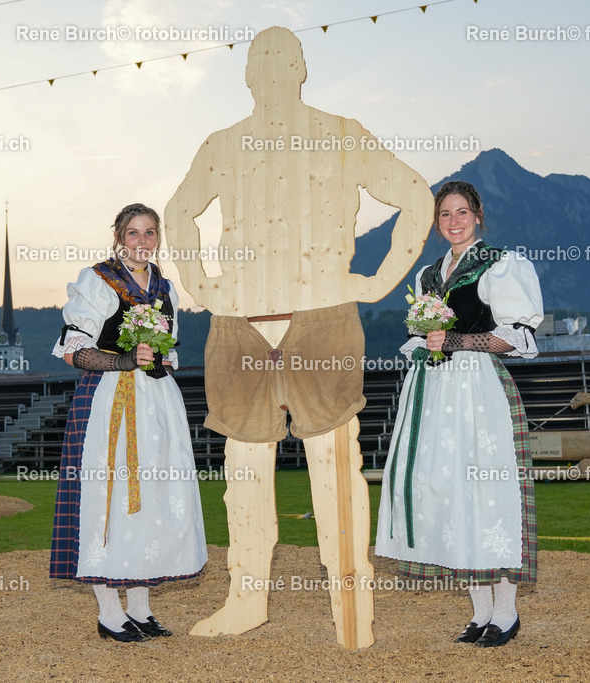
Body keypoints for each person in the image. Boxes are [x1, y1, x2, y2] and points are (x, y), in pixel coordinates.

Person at [164, 26, 433, 650]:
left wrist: (380, 279)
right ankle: (246, 599)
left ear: (302, 69)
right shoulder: (223, 145)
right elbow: (180, 214)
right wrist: (203, 285)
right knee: (246, 472)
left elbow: (415, 194)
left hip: (322, 317)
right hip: (242, 323)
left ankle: (352, 611)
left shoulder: (342, 134)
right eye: (264, 61)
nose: (275, 71)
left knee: (336, 466)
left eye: (284, 61)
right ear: (250, 75)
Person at [375, 180, 544, 648]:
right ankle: (480, 612)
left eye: (462, 212)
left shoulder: (500, 264)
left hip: (478, 391)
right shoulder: (429, 274)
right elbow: (422, 335)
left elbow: (517, 338)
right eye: (445, 214)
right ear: (437, 221)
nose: (454, 221)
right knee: (452, 496)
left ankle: (506, 613)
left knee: (488, 495)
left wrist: (454, 342)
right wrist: (420, 348)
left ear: (478, 214)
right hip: (434, 392)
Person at [49, 203, 207, 642]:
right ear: (119, 236)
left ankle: (140, 608)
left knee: (152, 502)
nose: (142, 242)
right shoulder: (98, 279)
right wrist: (124, 359)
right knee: (108, 501)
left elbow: (169, 352)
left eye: (150, 233)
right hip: (108, 401)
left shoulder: (165, 287)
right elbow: (72, 350)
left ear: (159, 238)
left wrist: (159, 364)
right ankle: (108, 613)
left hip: (157, 402)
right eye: (133, 233)